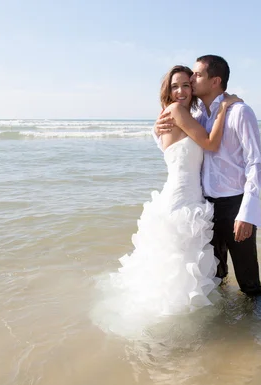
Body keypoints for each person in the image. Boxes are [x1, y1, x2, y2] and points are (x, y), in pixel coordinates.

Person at [96, 65, 241, 320]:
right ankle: (178, 315)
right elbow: (211, 143)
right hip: (182, 197)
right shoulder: (175, 111)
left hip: (189, 195)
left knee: (186, 261)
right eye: (175, 86)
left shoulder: (181, 114)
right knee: (180, 260)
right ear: (168, 90)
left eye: (186, 84)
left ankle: (191, 313)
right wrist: (223, 109)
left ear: (193, 88)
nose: (182, 90)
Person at [155, 55, 261, 297]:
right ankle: (225, 328)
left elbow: (255, 163)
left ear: (215, 81)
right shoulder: (199, 117)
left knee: (249, 281)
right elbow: (176, 147)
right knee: (215, 278)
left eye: (196, 76)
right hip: (204, 207)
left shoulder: (240, 112)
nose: (191, 80)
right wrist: (156, 130)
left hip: (234, 205)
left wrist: (247, 213)